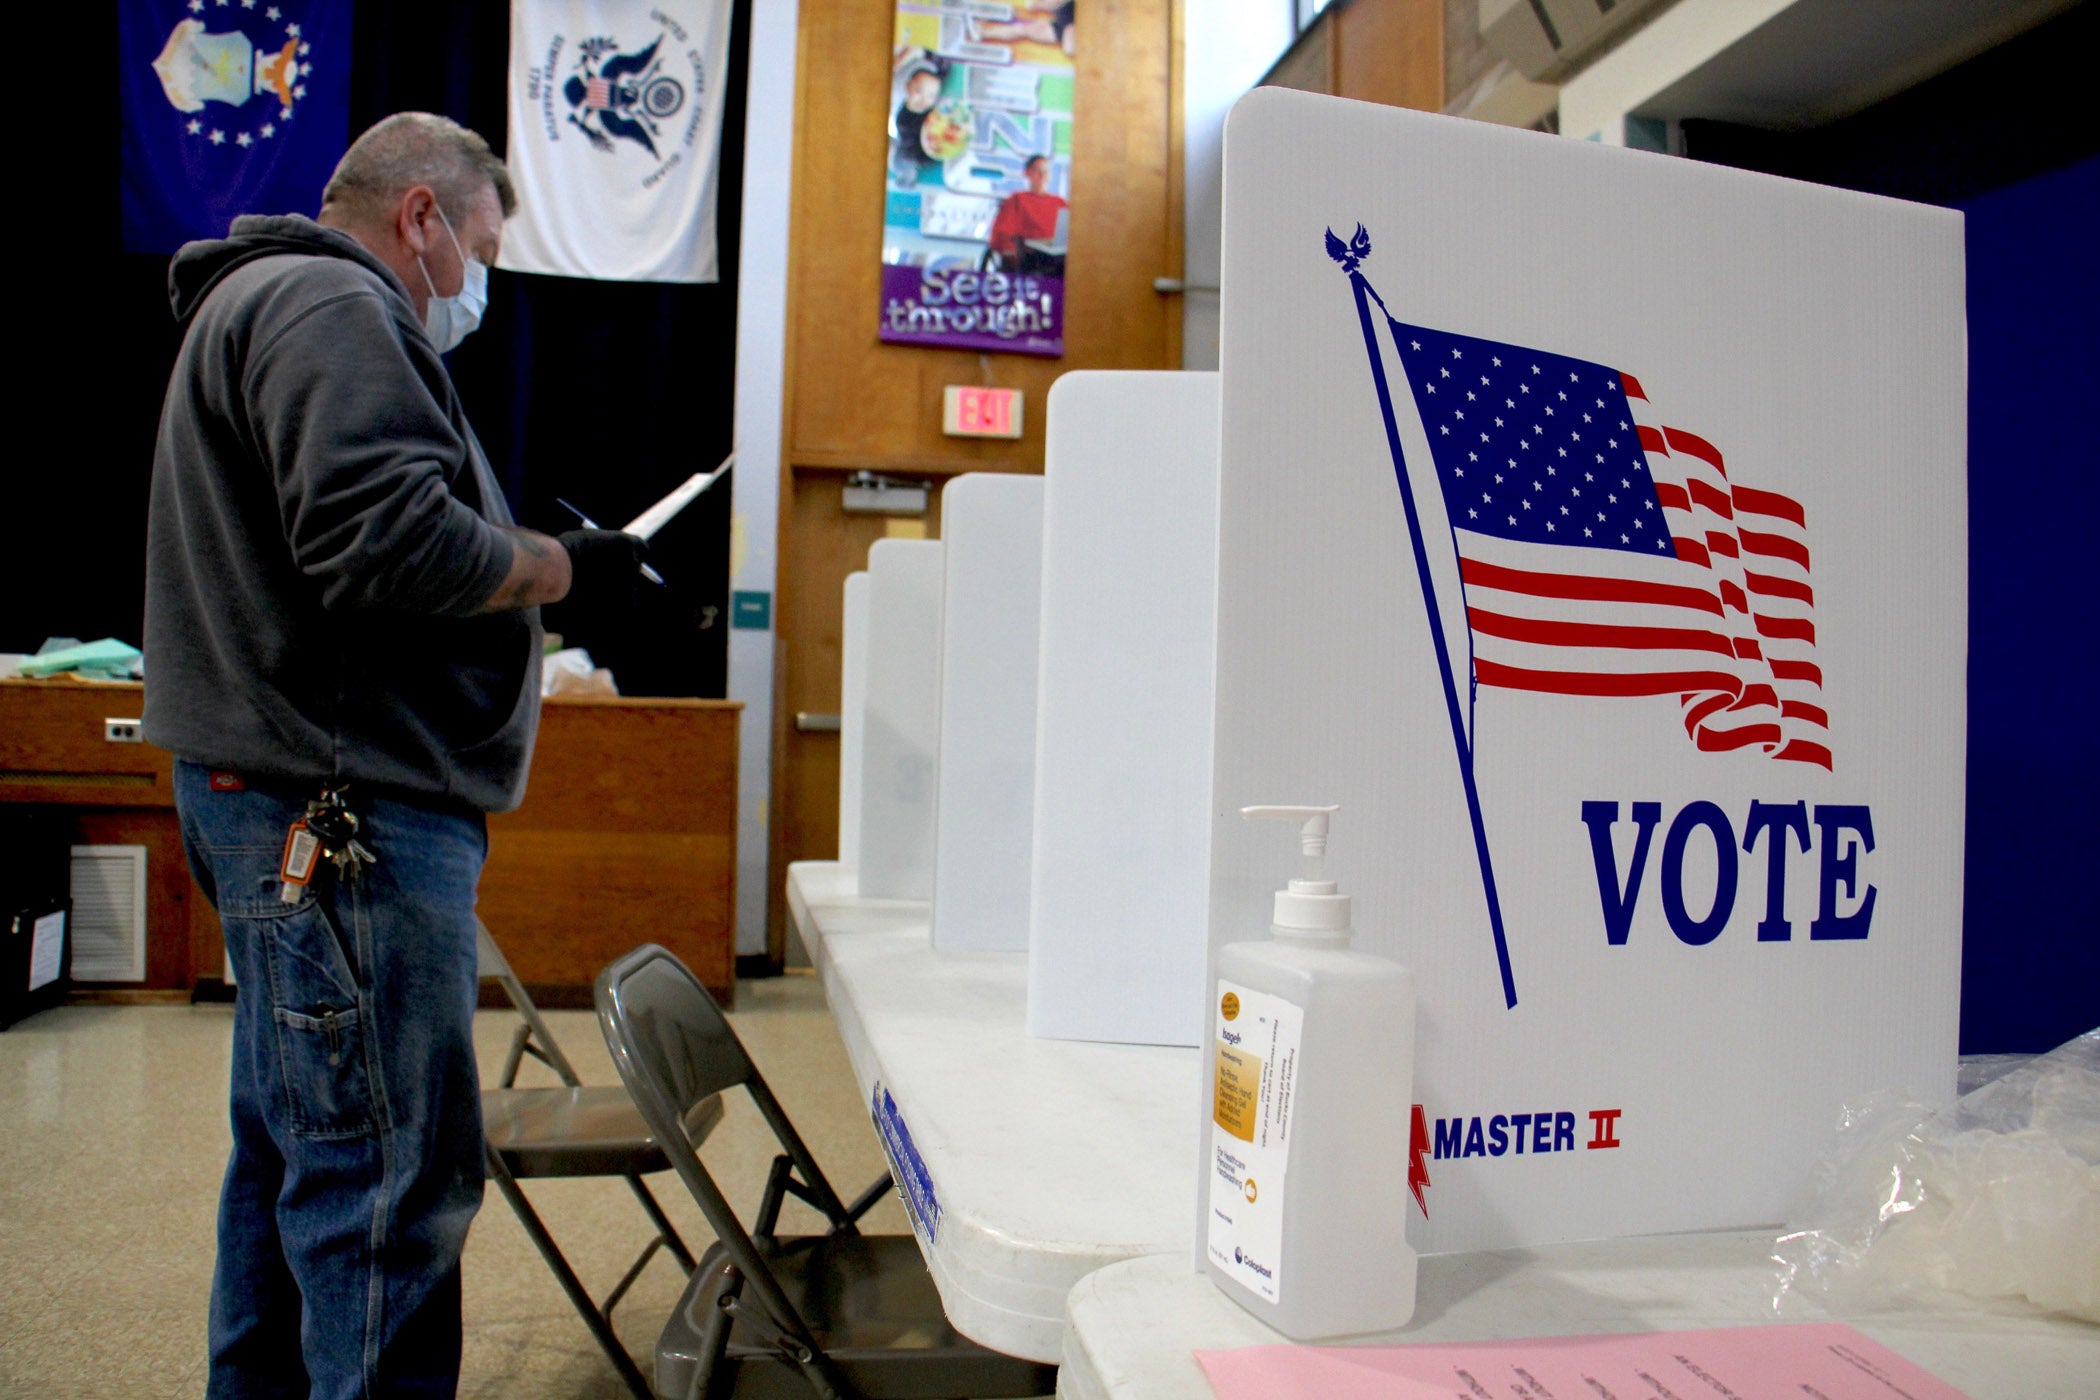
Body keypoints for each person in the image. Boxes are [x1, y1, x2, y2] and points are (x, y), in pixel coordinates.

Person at [142, 111, 646, 1399]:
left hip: (289, 793)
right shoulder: (333, 303)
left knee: (297, 1152)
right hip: (343, 810)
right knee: (382, 1181)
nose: (478, 284)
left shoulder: (263, 301)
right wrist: (562, 567)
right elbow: (387, 540)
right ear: (421, 216)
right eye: (481, 247)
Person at [987, 154, 1069, 274]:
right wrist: (1009, 251)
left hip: (1057, 252)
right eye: (1037, 170)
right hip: (1029, 254)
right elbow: (1002, 232)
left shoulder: (1059, 202)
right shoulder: (1017, 199)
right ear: (1027, 173)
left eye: (1045, 171)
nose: (1042, 174)